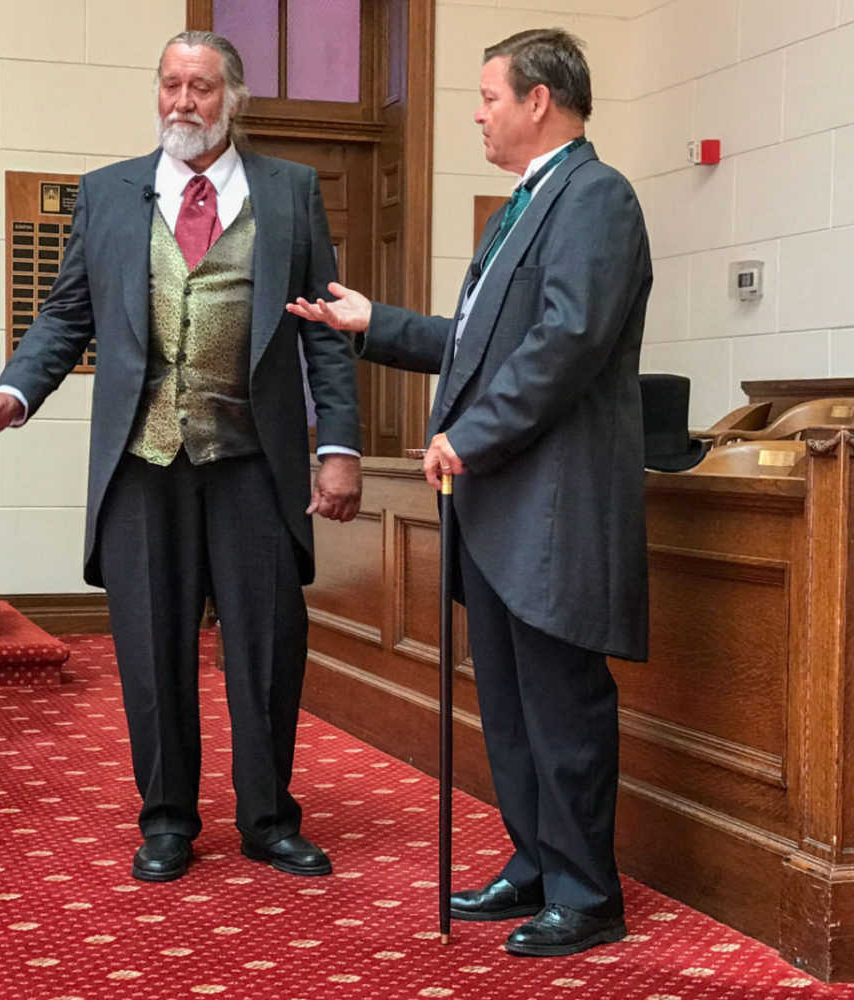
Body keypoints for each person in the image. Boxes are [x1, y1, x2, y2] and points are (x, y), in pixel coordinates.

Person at [0, 30, 362, 884]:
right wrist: (13, 392)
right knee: (150, 646)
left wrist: (338, 445)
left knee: (265, 647)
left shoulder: (289, 192)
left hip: (253, 459)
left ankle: (267, 819)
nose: (183, 102)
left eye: (202, 87)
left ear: (233, 98)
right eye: (171, 85)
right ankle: (168, 818)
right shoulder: (107, 195)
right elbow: (68, 315)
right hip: (144, 460)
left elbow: (326, 335)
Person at [287, 27, 650, 957]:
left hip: (553, 505)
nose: (479, 113)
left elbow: (564, 344)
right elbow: (481, 341)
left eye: (489, 96)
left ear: (540, 100)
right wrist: (377, 325)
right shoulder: (524, 205)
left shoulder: (595, 197)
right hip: (499, 507)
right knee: (513, 705)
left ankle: (587, 892)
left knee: (560, 704)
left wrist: (467, 436)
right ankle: (534, 864)